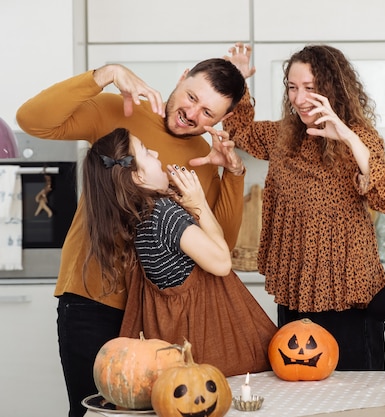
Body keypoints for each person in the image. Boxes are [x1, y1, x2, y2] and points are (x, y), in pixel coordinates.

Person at [16, 55, 248, 417]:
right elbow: (32, 121)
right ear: (183, 76)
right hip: (91, 300)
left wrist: (233, 175)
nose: (192, 114)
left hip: (155, 316)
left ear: (222, 120)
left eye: (208, 114)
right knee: (90, 412)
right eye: (191, 97)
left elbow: (220, 251)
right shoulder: (119, 112)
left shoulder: (205, 156)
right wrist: (105, 74)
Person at [219, 43, 385, 371]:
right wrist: (236, 78)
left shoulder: (360, 139)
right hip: (294, 293)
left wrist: (347, 137)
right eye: (292, 88)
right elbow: (240, 131)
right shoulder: (284, 135)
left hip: (349, 299)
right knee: (298, 393)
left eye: (310, 87)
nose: (298, 97)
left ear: (332, 88)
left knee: (357, 398)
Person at [82, 127, 276, 377]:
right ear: (138, 177)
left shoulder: (141, 217)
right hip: (210, 358)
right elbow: (221, 262)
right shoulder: (164, 214)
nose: (154, 151)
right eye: (145, 151)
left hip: (177, 361)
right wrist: (199, 203)